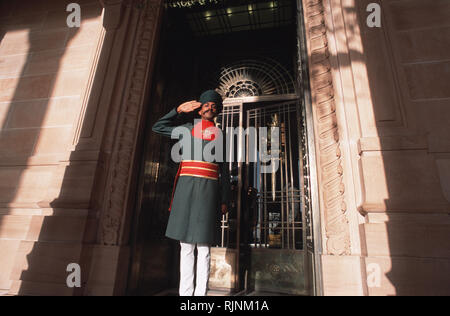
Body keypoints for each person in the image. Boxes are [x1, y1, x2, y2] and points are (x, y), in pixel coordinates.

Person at [152, 90, 230, 296]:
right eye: (206, 105)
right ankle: (186, 295)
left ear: (217, 111)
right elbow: (158, 127)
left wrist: (224, 200)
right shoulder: (187, 128)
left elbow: (224, 170)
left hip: (208, 192)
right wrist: (177, 110)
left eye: (214, 106)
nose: (210, 108)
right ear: (200, 108)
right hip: (186, 190)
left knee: (203, 248)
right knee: (185, 246)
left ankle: (200, 297)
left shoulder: (221, 135)